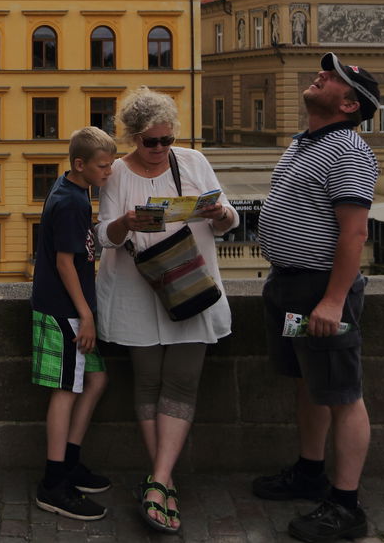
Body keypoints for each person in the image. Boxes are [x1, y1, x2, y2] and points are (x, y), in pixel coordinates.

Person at [95, 87, 238, 534]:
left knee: (181, 383)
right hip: (137, 292)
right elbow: (105, 235)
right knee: (148, 383)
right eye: (149, 142)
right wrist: (126, 222)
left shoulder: (192, 161)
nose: (158, 149)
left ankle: (157, 481)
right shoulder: (117, 171)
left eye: (165, 140)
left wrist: (219, 212)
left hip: (190, 286)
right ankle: (165, 481)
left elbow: (229, 219)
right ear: (133, 137)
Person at [252, 53, 381, 543]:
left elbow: (353, 234)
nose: (321, 75)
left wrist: (332, 301)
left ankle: (346, 506)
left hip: (320, 289)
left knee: (344, 394)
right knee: (310, 382)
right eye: (326, 72)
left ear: (349, 103)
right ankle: (309, 473)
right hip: (290, 284)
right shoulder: (307, 141)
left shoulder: (349, 150)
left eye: (334, 78)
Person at [30, 125, 118, 521]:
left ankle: (70, 461)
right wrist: (85, 316)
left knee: (96, 379)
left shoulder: (74, 187)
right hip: (63, 311)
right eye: (103, 166)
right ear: (80, 164)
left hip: (72, 309)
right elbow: (66, 262)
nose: (109, 172)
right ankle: (53, 484)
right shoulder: (70, 202)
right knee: (65, 390)